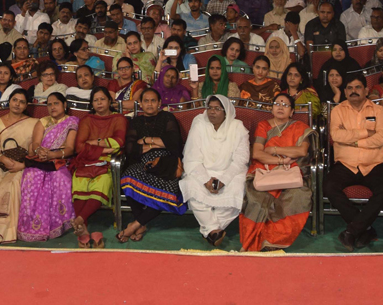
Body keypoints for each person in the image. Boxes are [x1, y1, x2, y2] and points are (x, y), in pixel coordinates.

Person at [238, 91, 313, 252]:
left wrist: (274, 149)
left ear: (292, 112)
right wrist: (281, 159)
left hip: (291, 172)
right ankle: (255, 240)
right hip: (265, 171)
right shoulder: (263, 126)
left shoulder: (300, 127)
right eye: (277, 103)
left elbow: (302, 151)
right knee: (258, 199)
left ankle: (273, 241)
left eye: (285, 105)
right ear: (271, 109)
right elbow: (258, 153)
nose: (281, 107)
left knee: (299, 196)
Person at [324, 74, 383, 251]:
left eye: (358, 87)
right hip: (346, 163)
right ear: (345, 91)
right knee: (329, 186)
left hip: (373, 163)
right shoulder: (338, 111)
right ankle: (366, 228)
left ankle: (352, 231)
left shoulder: (378, 111)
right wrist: (366, 133)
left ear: (366, 90)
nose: (354, 91)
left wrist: (354, 141)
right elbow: (336, 136)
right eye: (350, 88)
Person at [180, 95, 251, 247]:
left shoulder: (238, 127)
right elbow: (192, 157)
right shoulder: (199, 123)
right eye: (210, 108)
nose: (212, 112)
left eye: (217, 109)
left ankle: (210, 229)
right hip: (203, 171)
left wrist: (224, 180)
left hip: (231, 172)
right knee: (190, 185)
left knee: (239, 188)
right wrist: (205, 179)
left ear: (226, 112)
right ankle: (214, 231)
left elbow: (241, 159)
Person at [118, 88, 187, 241]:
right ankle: (140, 224)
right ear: (141, 104)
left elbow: (174, 143)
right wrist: (157, 144)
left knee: (167, 189)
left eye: (153, 100)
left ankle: (136, 224)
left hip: (166, 162)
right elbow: (130, 148)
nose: (149, 104)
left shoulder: (167, 117)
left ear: (159, 103)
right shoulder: (136, 121)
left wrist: (145, 140)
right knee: (128, 178)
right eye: (146, 101)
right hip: (143, 162)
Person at [0, 88, 40, 243]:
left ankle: (7, 230)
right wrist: (3, 159)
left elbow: (34, 149)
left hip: (22, 163)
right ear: (9, 101)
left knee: (12, 184)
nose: (17, 104)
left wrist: (23, 164)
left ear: (26, 106)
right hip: (1, 160)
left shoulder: (33, 123)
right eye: (14, 100)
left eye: (21, 102)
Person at [17, 92, 80, 242]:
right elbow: (36, 143)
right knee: (32, 176)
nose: (52, 107)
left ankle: (56, 226)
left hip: (60, 160)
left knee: (60, 179)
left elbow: (70, 148)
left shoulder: (72, 121)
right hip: (40, 158)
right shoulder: (43, 121)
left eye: (56, 103)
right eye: (49, 104)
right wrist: (41, 151)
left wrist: (53, 155)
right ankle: (32, 227)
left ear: (64, 105)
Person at [70, 87, 127, 248]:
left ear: (109, 101)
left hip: (108, 161)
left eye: (102, 99)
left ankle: (79, 220)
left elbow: (119, 143)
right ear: (92, 104)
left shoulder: (119, 118)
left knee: (101, 183)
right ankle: (84, 229)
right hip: (85, 160)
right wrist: (103, 145)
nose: (99, 103)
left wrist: (95, 142)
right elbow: (79, 147)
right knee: (80, 183)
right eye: (95, 100)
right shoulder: (87, 120)